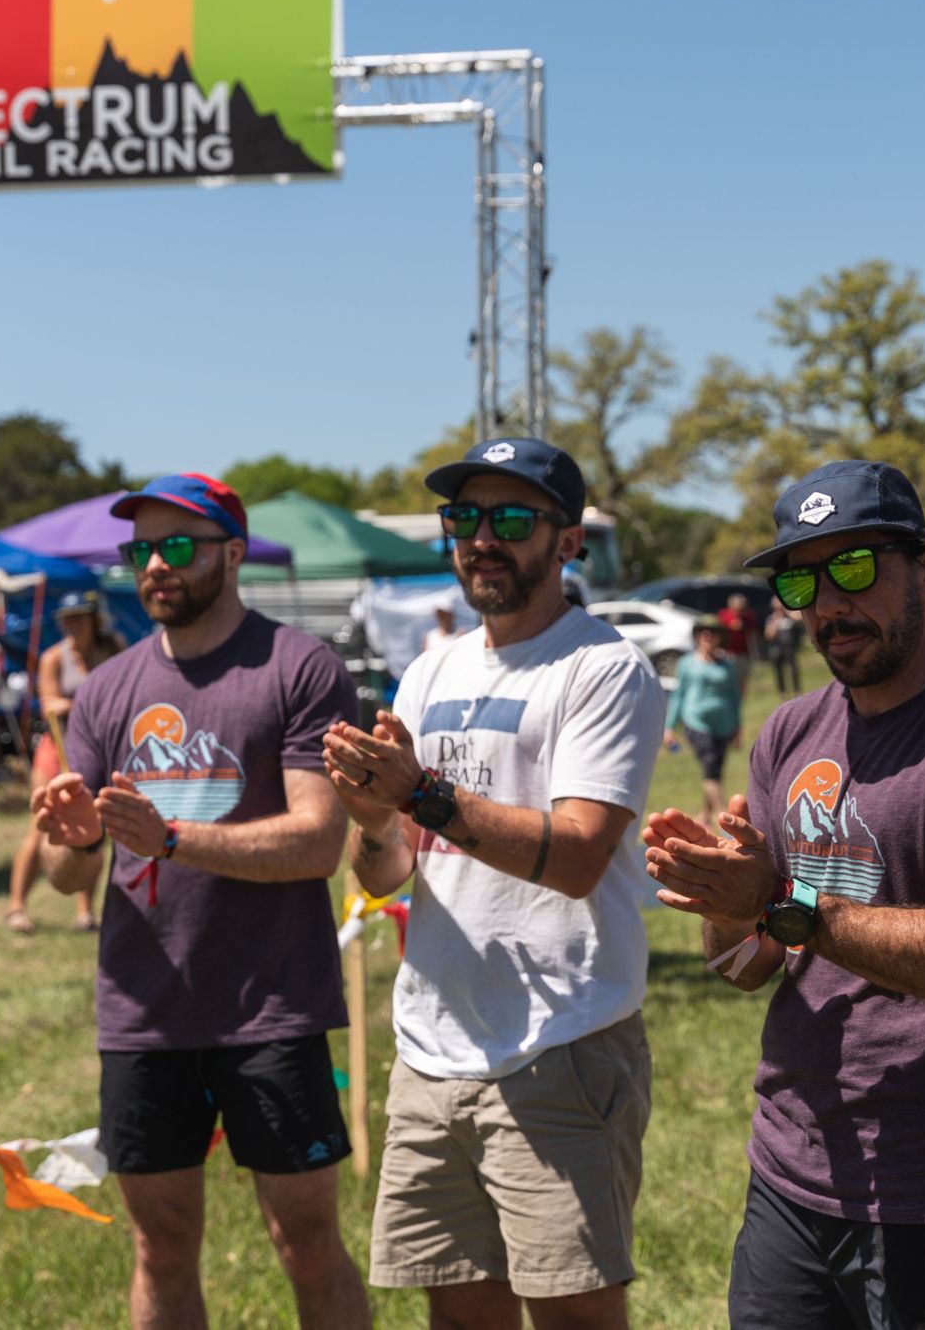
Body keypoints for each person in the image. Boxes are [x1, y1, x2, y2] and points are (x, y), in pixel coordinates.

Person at [643, 459, 925, 1329]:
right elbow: (742, 968)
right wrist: (723, 898)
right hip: (795, 1171)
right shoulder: (791, 732)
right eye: (803, 579)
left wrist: (778, 899)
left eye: (851, 568)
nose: (827, 604)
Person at [325, 436, 665, 1330]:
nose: (482, 537)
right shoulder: (431, 670)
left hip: (560, 1042)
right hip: (433, 1049)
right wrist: (369, 819)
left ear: (568, 540)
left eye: (511, 518)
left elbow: (580, 853)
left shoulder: (602, 668)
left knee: (573, 1316)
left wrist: (423, 793)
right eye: (464, 518)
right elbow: (392, 866)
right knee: (460, 1314)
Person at [29, 473, 370, 1330]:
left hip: (274, 1005)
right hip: (145, 1011)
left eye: (175, 546)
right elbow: (74, 878)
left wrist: (173, 839)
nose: (155, 566)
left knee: (306, 1240)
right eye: (139, 550)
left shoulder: (299, 667)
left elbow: (318, 841)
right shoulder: (105, 690)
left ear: (232, 551)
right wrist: (70, 843)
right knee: (161, 1244)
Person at [6, 591, 123, 935]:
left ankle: (84, 911)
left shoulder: (112, 648)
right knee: (39, 825)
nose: (72, 624)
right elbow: (49, 704)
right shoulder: (54, 657)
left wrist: (75, 705)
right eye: (66, 618)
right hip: (57, 748)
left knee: (92, 827)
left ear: (93, 618)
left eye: (78, 617)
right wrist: (86, 706)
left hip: (98, 748)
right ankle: (16, 906)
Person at [667, 614, 744, 828]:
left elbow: (734, 697)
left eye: (713, 633)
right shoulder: (686, 664)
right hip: (696, 723)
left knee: (714, 771)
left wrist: (738, 727)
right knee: (711, 771)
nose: (707, 636)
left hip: (724, 725)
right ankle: (725, 820)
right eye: (703, 632)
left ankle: (704, 816)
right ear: (697, 636)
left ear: (720, 637)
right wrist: (669, 727)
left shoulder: (727, 664)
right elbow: (678, 695)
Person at [716, 591, 759, 694]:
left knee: (742, 681)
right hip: (727, 653)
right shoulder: (724, 615)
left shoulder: (748, 616)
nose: (739, 611)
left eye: (742, 608)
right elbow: (719, 629)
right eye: (737, 608)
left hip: (743, 654)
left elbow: (754, 629)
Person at [762, 602, 805, 695]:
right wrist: (775, 622)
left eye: (781, 607)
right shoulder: (771, 619)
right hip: (778, 648)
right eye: (777, 607)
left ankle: (797, 690)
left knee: (793, 669)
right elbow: (768, 636)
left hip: (790, 647)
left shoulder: (789, 617)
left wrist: (787, 613)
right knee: (779, 671)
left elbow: (800, 619)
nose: (779, 609)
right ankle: (783, 692)